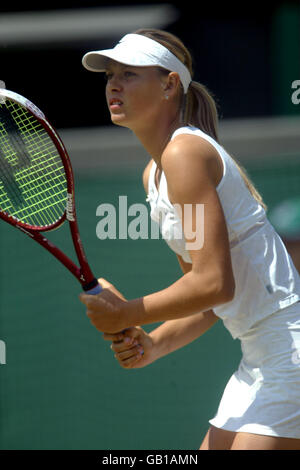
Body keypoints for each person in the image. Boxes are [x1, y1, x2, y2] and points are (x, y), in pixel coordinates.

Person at [79, 29, 300, 450]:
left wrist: (127, 313)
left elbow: (214, 283)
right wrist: (152, 345)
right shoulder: (155, 174)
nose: (113, 84)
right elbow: (207, 301)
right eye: (110, 75)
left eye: (129, 73)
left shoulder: (184, 155)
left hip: (290, 351)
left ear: (169, 84)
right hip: (259, 361)